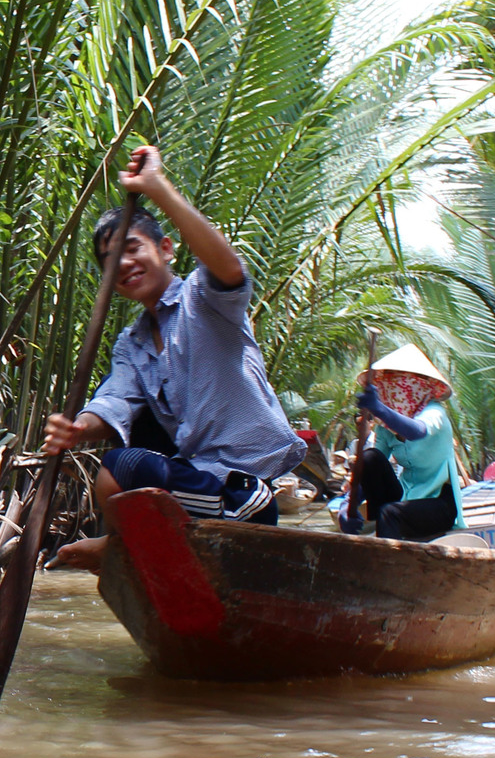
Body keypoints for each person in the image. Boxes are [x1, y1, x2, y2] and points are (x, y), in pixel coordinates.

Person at [44, 142, 307, 571]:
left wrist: (157, 187)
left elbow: (227, 266)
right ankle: (133, 549)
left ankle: (119, 548)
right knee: (131, 436)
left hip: (242, 495)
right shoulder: (132, 343)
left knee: (119, 467)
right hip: (196, 483)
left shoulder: (203, 300)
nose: (125, 264)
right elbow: (114, 403)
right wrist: (75, 429)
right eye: (112, 262)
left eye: (134, 248)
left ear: (166, 249)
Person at [339, 344, 459, 541]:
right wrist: (348, 503)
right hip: (405, 498)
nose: (395, 388)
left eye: (401, 381)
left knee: (390, 513)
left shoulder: (434, 412)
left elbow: (417, 431)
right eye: (390, 381)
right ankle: (381, 535)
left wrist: (379, 408)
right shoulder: (385, 427)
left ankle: (387, 560)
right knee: (369, 458)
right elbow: (371, 468)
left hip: (439, 503)